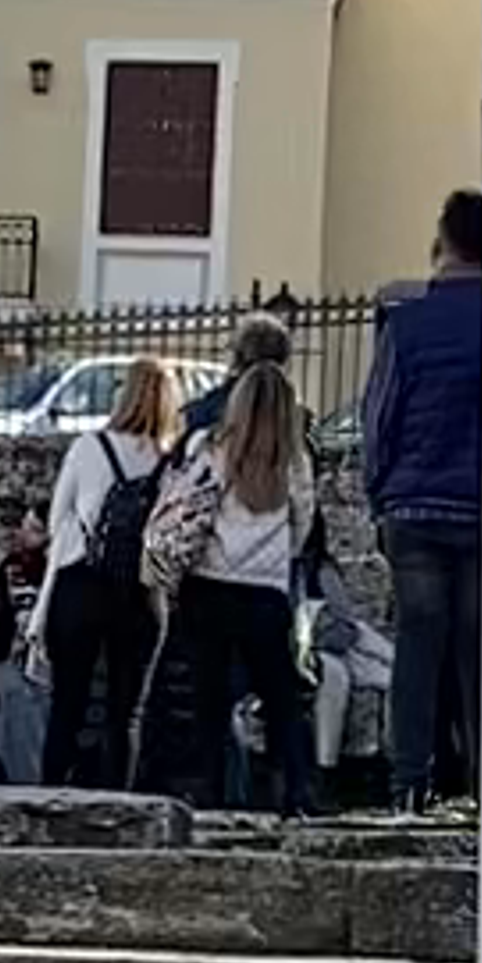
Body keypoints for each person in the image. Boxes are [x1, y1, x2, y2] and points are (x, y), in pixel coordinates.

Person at [142, 346, 319, 816]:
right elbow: (302, 526)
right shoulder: (293, 461)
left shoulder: (211, 448)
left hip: (209, 584)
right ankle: (296, 791)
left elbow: (185, 507)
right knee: (281, 697)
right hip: (265, 592)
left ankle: (211, 794)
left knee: (210, 699)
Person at [358, 187, 482, 809]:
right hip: (481, 507)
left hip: (413, 507)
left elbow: (378, 417)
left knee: (416, 645)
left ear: (443, 242)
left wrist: (379, 493)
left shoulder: (405, 324)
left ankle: (409, 781)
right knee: (477, 651)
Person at [34, 357, 185, 787]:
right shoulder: (172, 460)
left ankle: (50, 796)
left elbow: (56, 519)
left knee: (69, 701)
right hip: (141, 589)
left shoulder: (89, 447)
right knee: (127, 711)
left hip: (82, 582)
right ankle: (121, 801)